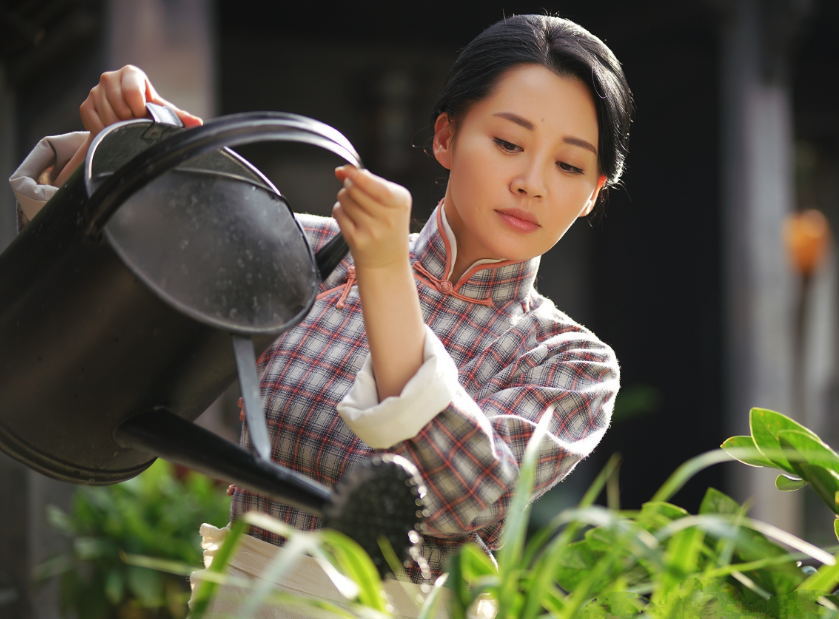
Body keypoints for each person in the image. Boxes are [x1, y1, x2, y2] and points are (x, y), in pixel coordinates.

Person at [9, 13, 632, 616]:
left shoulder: (571, 362)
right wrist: (117, 154)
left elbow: (455, 493)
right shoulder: (314, 252)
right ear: (445, 137)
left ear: (593, 194)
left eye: (569, 165)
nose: (532, 181)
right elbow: (107, 305)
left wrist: (387, 273)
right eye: (507, 142)